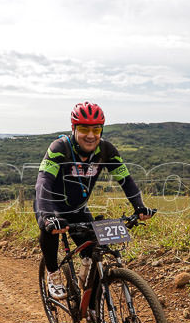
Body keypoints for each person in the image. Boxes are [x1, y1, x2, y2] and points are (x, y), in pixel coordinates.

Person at [34, 102, 154, 299]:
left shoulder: (106, 150)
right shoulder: (59, 148)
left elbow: (126, 180)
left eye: (96, 129)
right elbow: (43, 182)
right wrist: (47, 216)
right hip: (50, 204)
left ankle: (92, 312)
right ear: (73, 128)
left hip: (78, 208)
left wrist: (139, 206)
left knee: (94, 252)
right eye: (83, 129)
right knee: (49, 230)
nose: (90, 135)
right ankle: (53, 273)